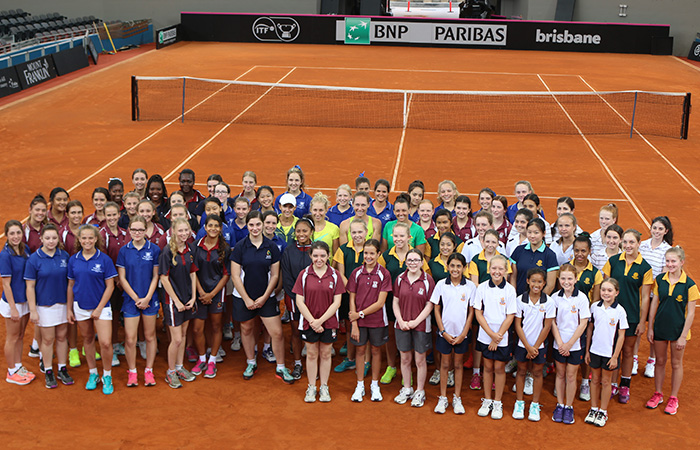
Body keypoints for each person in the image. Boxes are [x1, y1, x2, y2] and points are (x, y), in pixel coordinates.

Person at [230, 211, 294, 383]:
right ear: (248, 226)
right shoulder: (240, 247)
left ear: (263, 225)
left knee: (277, 333)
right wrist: (247, 299)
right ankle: (251, 362)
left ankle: (281, 367)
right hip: (244, 297)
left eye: (258, 224)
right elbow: (235, 276)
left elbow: (274, 275)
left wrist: (266, 296)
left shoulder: (271, 247)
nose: (255, 228)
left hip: (266, 297)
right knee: (247, 329)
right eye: (251, 225)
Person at [602, 229, 653, 403]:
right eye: (625, 242)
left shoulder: (645, 267)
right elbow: (606, 287)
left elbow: (645, 297)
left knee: (628, 351)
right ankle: (613, 384)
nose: (628, 246)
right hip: (611, 315)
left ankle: (625, 384)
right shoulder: (613, 261)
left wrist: (641, 321)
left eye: (632, 242)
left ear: (639, 244)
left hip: (631, 316)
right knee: (612, 349)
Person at [66, 225, 118, 395]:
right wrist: (69, 309)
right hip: (80, 306)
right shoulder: (73, 260)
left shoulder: (104, 260)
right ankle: (93, 373)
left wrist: (99, 308)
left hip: (101, 308)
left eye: (90, 238)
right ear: (79, 240)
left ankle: (107, 375)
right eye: (84, 238)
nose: (87, 241)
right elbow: (71, 285)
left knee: (105, 342)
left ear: (96, 239)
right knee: (87, 340)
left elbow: (110, 287)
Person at [646, 246, 697, 415]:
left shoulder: (690, 285)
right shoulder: (660, 280)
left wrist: (683, 336)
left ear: (681, 262)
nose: (670, 264)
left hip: (678, 331)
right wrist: (651, 327)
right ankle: (658, 393)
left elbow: (690, 313)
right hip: (661, 327)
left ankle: (673, 397)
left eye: (673, 261)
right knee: (660, 362)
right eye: (667, 261)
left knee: (676, 364)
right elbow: (654, 304)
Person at [294, 241, 345, 403]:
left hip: (328, 323)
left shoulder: (335, 275)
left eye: (322, 255)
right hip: (309, 322)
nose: (319, 259)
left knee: (325, 353)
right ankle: (311, 387)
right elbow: (299, 301)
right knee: (311, 354)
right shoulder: (304, 274)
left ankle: (324, 386)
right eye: (315, 256)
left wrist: (320, 321)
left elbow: (337, 303)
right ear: (310, 256)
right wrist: (312, 321)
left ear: (328, 255)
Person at [24, 224, 70, 388]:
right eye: (48, 238)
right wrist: (33, 310)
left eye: (54, 238)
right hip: (44, 305)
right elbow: (29, 287)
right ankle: (49, 370)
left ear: (58, 239)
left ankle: (62, 368)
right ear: (41, 239)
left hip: (62, 303)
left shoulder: (64, 256)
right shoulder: (34, 259)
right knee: (48, 339)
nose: (51, 241)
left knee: (62, 337)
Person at [116, 216, 160, 387]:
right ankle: (132, 372)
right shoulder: (124, 251)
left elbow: (156, 276)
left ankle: (149, 370)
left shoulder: (154, 249)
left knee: (150, 336)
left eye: (140, 230)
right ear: (129, 230)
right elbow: (122, 278)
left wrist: (147, 297)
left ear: (145, 230)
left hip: (150, 299)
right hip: (130, 301)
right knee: (130, 338)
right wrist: (136, 298)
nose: (137, 233)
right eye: (133, 230)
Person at [347, 239, 392, 402]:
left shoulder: (384, 274)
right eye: (366, 253)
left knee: (375, 351)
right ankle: (360, 385)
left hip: (377, 321)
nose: (368, 256)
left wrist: (359, 315)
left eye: (372, 253)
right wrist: (354, 323)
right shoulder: (356, 273)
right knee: (359, 351)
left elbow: (380, 303)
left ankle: (374, 385)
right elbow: (351, 298)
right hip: (359, 322)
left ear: (378, 254)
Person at [431, 253, 476, 415]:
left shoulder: (470, 286)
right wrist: (442, 331)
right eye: (452, 266)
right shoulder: (441, 284)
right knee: (444, 364)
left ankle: (457, 398)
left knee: (458, 365)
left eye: (459, 266)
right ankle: (443, 397)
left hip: (461, 335)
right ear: (447, 267)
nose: (455, 269)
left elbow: (472, 311)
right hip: (445, 334)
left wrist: (464, 332)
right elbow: (436, 308)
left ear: (464, 268)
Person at [474, 255, 517, 420]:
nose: (497, 272)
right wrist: (491, 335)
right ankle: (487, 400)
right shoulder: (482, 288)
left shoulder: (510, 290)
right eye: (494, 268)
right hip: (486, 336)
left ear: (506, 271)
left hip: (502, 337)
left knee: (499, 368)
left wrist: (497, 337)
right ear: (488, 269)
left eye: (501, 269)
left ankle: (497, 402)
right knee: (487, 367)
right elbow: (478, 312)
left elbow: (510, 316)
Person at [392, 249, 435, 408]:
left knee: (420, 359)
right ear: (405, 262)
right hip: (401, 324)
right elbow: (395, 302)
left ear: (422, 262)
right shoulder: (399, 279)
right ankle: (407, 389)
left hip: (421, 326)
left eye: (416, 260)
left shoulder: (428, 280)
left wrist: (415, 321)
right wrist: (401, 320)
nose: (413, 263)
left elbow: (429, 305)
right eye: (410, 260)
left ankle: (420, 391)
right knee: (404, 358)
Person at [191, 215, 230, 379]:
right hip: (200, 293)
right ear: (205, 227)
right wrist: (201, 293)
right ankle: (201, 359)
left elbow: (226, 275)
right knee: (197, 328)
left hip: (216, 293)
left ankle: (212, 360)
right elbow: (193, 272)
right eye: (210, 225)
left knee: (216, 326)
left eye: (217, 226)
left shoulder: (225, 248)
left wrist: (212, 294)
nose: (213, 228)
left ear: (220, 229)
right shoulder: (196, 246)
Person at [159, 218, 197, 389]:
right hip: (173, 302)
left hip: (187, 300)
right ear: (173, 231)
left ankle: (180, 367)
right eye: (180, 231)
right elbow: (164, 279)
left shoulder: (189, 249)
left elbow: (193, 273)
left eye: (186, 231)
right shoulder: (167, 252)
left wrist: (194, 297)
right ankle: (171, 371)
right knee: (175, 339)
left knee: (182, 336)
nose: (183, 234)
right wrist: (176, 301)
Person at [512, 268, 554, 421]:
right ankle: (519, 402)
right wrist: (528, 347)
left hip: (539, 346)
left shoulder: (549, 302)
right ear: (528, 281)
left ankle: (535, 405)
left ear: (544, 284)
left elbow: (547, 326)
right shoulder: (519, 300)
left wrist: (535, 347)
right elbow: (518, 326)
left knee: (537, 373)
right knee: (521, 371)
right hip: (523, 344)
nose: (536, 285)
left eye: (540, 282)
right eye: (533, 281)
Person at [584, 278, 627, 427]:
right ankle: (593, 408)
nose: (606, 293)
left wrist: (615, 356)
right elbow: (590, 329)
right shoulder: (595, 307)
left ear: (616, 292)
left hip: (609, 354)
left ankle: (603, 411)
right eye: (603, 290)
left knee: (606, 381)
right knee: (594, 380)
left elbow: (621, 335)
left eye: (609, 290)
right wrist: (588, 350)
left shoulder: (620, 311)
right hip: (595, 351)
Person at [551, 264, 591, 424]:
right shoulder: (555, 298)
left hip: (575, 345)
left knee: (571, 376)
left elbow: (583, 323)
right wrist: (560, 343)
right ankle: (560, 404)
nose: (566, 282)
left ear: (576, 279)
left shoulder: (581, 298)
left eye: (569, 278)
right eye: (563, 278)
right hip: (558, 344)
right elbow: (552, 322)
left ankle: (569, 407)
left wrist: (569, 344)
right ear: (559, 279)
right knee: (560, 374)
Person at [638, 216, 673, 378]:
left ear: (666, 231)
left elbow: (664, 275)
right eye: (655, 228)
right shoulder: (642, 245)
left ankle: (651, 361)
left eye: (660, 229)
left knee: (653, 330)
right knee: (637, 328)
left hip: (656, 296)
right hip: (640, 294)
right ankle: (634, 358)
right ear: (650, 228)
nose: (657, 231)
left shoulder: (667, 249)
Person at [570, 233, 603, 401]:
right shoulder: (566, 268)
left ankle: (584, 381)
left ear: (589, 251)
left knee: (584, 350)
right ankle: (563, 381)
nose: (580, 254)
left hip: (584, 320)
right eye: (576, 250)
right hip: (566, 319)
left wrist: (588, 320)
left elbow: (596, 300)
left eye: (583, 251)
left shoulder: (595, 273)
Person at [281, 218, 314, 380]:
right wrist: (297, 298)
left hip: (313, 300)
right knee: (296, 331)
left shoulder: (316, 250)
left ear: (311, 232)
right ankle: (298, 363)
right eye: (298, 231)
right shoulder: (288, 251)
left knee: (312, 330)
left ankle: (313, 363)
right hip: (293, 299)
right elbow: (286, 277)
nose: (301, 234)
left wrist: (310, 298)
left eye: (305, 231)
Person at [332, 220, 368, 374]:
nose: (357, 235)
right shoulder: (343, 249)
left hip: (367, 296)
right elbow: (341, 272)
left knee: (367, 328)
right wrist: (352, 289)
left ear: (366, 232)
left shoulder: (371, 249)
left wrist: (363, 291)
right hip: (349, 294)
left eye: (360, 232)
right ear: (349, 234)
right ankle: (350, 359)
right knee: (349, 327)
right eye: (354, 232)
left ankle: (366, 361)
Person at [2, 220, 34, 385]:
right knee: (12, 337)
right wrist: (13, 309)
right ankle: (11, 371)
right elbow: (6, 284)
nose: (15, 236)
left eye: (18, 233)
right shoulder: (5, 255)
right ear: (6, 235)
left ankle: (18, 365)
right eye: (12, 233)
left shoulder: (25, 249)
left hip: (24, 300)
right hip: (12, 303)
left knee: (20, 335)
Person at [100, 201, 130, 368]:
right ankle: (111, 345)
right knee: (110, 314)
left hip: (123, 281)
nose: (112, 217)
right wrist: (116, 279)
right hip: (110, 282)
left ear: (119, 215)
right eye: (108, 215)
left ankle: (118, 343)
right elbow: (104, 260)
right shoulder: (101, 234)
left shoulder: (126, 233)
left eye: (114, 214)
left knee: (119, 311)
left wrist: (122, 279)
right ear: (105, 216)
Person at [59, 200, 83, 368]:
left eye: (79, 212)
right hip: (68, 279)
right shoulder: (62, 233)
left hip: (86, 279)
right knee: (72, 315)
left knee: (86, 314)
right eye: (73, 213)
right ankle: (73, 349)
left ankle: (85, 346)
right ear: (67, 215)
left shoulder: (87, 230)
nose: (76, 216)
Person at [510, 218, 559, 296]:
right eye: (529, 232)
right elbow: (513, 277)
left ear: (544, 233)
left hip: (540, 304)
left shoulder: (550, 255)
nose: (532, 236)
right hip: (519, 299)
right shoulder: (519, 250)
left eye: (536, 233)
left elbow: (550, 285)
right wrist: (514, 296)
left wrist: (538, 301)